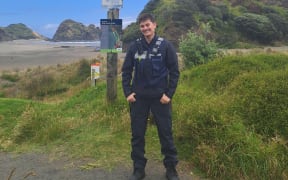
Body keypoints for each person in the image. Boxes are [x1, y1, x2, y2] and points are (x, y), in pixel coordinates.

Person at [121, 13, 180, 180]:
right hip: (138, 99)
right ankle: (138, 169)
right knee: (137, 135)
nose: (145, 28)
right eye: (142, 26)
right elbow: (126, 71)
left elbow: (175, 72)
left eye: (148, 25)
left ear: (155, 25)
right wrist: (128, 93)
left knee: (166, 133)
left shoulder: (166, 46)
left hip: (160, 98)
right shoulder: (134, 46)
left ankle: (171, 169)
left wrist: (169, 94)